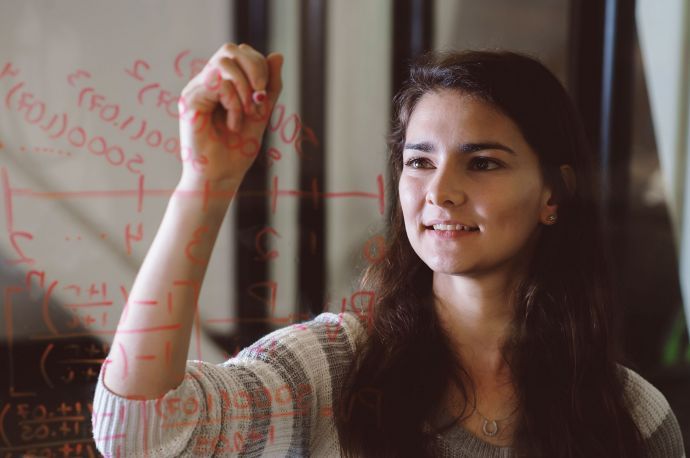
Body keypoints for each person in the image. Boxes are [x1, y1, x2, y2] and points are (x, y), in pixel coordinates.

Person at [91, 43, 685, 457]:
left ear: (553, 194)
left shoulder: (632, 415)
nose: (441, 192)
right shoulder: (333, 368)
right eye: (419, 162)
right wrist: (206, 181)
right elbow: (140, 434)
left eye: (483, 163)